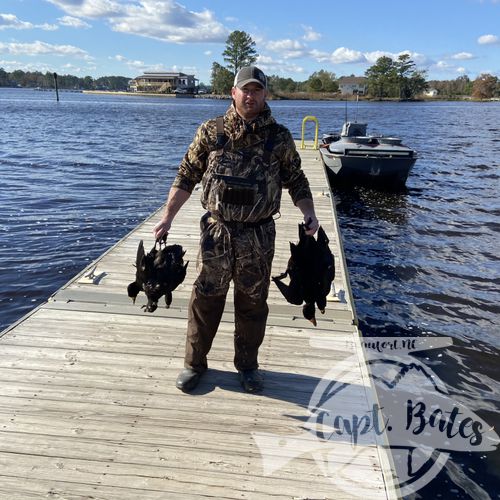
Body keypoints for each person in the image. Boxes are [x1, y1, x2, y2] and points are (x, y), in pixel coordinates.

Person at [153, 66, 319, 394]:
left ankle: (247, 366)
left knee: (252, 303)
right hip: (217, 233)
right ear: (233, 92)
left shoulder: (279, 137)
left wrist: (309, 212)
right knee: (205, 298)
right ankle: (194, 363)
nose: (250, 95)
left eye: (257, 90)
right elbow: (187, 174)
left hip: (258, 235)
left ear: (265, 94)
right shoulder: (211, 132)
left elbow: (296, 179)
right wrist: (168, 216)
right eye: (245, 89)